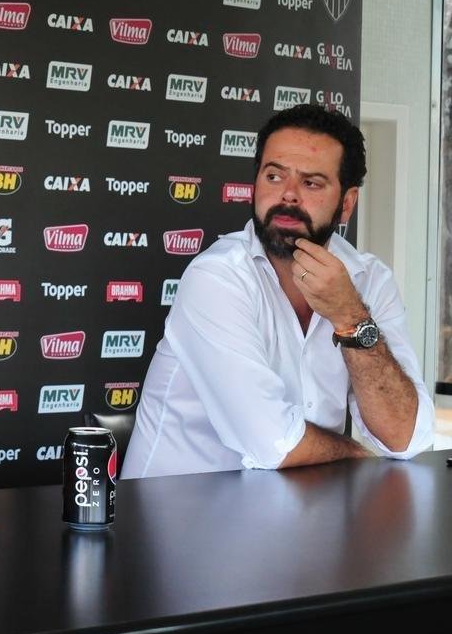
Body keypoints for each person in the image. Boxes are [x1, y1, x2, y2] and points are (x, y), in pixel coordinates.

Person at [123, 104, 433, 479]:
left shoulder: (370, 282)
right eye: (273, 176)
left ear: (346, 204)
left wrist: (351, 317)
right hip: (172, 523)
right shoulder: (217, 278)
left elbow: (406, 437)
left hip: (297, 517)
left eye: (311, 183)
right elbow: (275, 444)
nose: (287, 195)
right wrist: (359, 455)